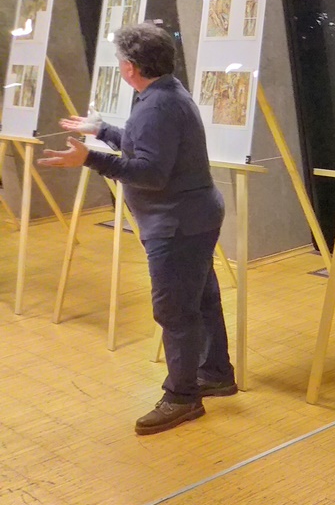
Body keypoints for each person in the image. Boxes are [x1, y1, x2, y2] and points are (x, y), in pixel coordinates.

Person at [39, 23, 236, 436]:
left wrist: (89, 158)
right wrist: (102, 131)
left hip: (178, 224)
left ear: (130, 67)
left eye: (119, 60)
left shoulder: (156, 106)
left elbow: (150, 172)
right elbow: (147, 144)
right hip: (192, 218)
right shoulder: (166, 94)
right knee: (200, 300)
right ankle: (215, 373)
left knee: (174, 311)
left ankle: (182, 397)